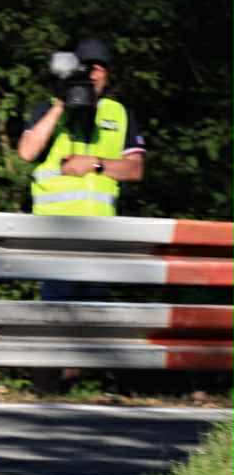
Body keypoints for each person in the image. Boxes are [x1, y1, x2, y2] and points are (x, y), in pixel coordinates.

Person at [16, 36, 147, 301]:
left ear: (108, 74)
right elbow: (27, 152)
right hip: (55, 233)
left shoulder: (118, 113)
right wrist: (60, 105)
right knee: (57, 313)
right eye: (87, 68)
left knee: (94, 315)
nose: (93, 75)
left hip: (101, 235)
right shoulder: (50, 108)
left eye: (99, 68)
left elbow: (135, 169)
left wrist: (95, 164)